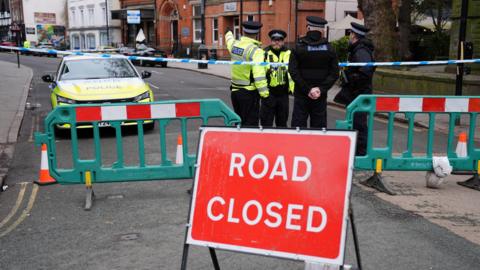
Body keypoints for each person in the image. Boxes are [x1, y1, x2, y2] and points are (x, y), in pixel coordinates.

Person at [289, 16, 339, 128]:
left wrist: (307, 89)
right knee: (319, 128)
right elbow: (335, 73)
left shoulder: (298, 47)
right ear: (322, 30)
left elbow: (293, 71)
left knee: (298, 127)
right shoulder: (330, 48)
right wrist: (320, 89)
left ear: (308, 28)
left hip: (302, 94)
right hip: (320, 95)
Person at [334, 22, 375, 155]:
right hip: (357, 93)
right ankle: (356, 151)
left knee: (359, 124)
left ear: (354, 35)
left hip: (360, 93)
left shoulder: (361, 50)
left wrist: (350, 78)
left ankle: (361, 153)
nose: (349, 36)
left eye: (350, 33)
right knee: (355, 123)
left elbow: (366, 70)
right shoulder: (357, 49)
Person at [225, 21, 269, 126]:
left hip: (235, 92)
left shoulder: (234, 45)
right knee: (250, 124)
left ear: (243, 32)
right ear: (257, 33)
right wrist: (265, 95)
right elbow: (259, 76)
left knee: (239, 123)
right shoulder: (256, 51)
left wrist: (228, 32)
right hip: (249, 93)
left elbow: (229, 40)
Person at [260, 30, 295, 127]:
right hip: (268, 94)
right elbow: (259, 72)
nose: (277, 42)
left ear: (283, 41)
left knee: (282, 123)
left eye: (279, 40)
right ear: (271, 41)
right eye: (274, 40)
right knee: (266, 123)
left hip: (283, 95)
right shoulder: (264, 53)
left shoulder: (289, 53)